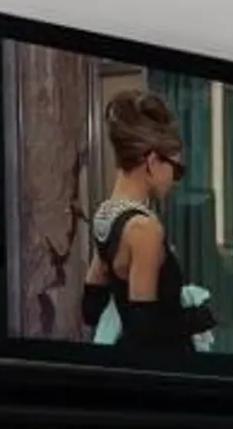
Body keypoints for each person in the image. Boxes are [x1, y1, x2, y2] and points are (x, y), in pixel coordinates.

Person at [83, 88, 216, 356]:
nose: (175, 180)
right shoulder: (145, 229)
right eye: (176, 169)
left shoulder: (106, 214)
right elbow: (144, 332)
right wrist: (198, 318)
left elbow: (90, 308)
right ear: (153, 161)